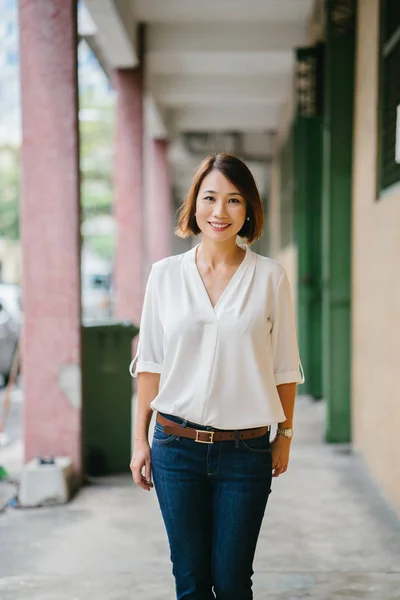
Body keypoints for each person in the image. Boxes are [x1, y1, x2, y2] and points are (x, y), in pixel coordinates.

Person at [129, 152, 304, 600]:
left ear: (248, 211)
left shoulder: (270, 278)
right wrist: (139, 441)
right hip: (174, 448)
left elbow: (285, 368)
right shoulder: (164, 277)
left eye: (233, 200)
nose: (220, 212)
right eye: (210, 198)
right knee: (189, 582)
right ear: (194, 206)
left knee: (231, 583)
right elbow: (149, 365)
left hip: (245, 452)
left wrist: (283, 435)